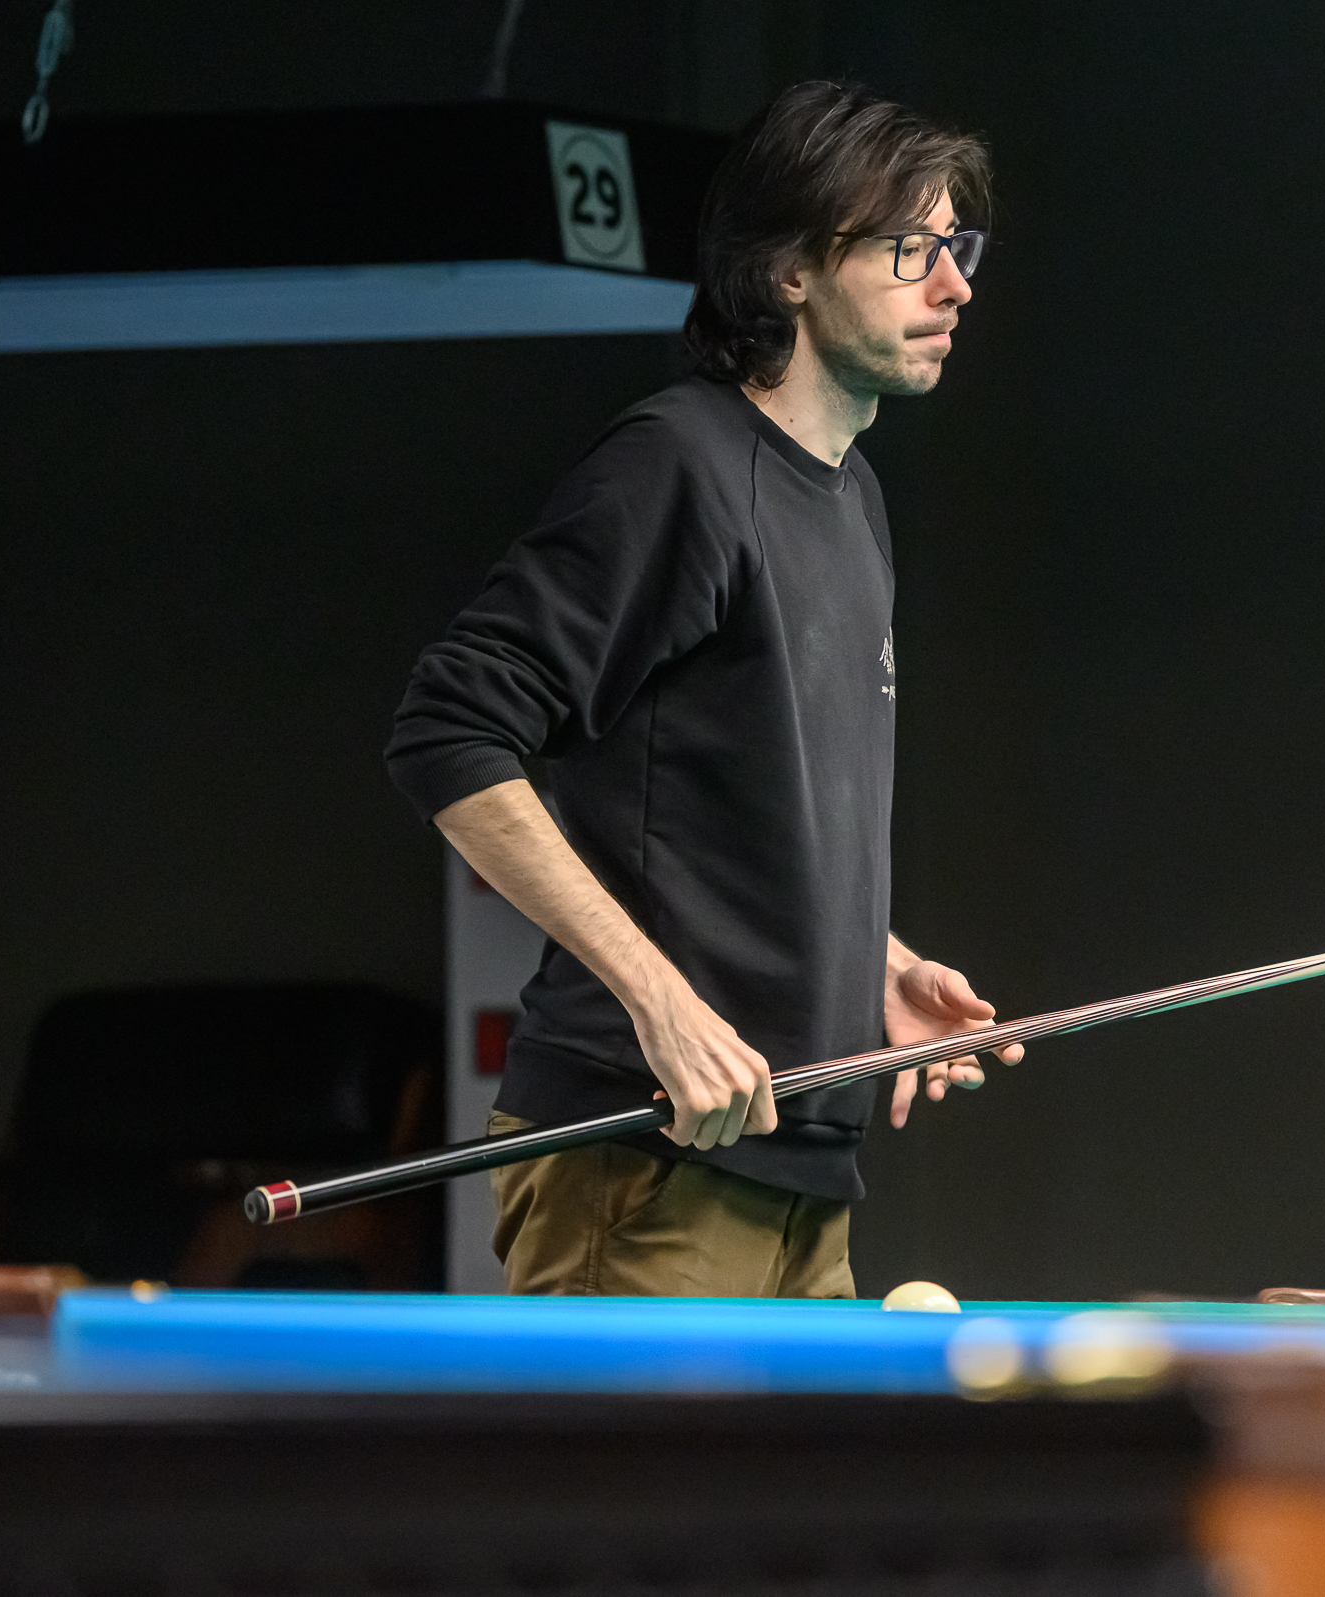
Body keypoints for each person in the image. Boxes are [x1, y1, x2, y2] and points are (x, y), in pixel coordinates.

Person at [384, 81, 1016, 1297]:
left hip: (805, 1162)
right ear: (789, 271)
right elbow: (448, 728)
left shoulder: (854, 498)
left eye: (957, 246)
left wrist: (873, 964)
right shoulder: (678, 464)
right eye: (909, 250)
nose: (954, 286)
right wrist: (657, 1002)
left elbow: (736, 806)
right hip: (648, 1152)